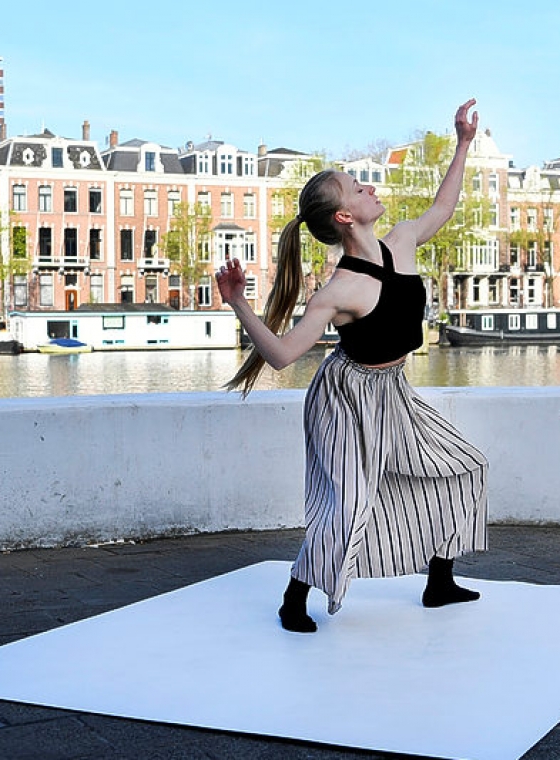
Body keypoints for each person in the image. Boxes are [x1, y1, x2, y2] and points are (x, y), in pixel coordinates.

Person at [216, 99, 489, 634]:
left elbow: (445, 207)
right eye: (357, 188)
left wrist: (462, 143)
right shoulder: (338, 290)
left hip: (394, 389)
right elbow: (281, 356)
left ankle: (439, 581)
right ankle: (295, 598)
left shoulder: (403, 241)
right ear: (344, 216)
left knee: (464, 466)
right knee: (348, 502)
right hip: (345, 397)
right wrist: (238, 303)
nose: (369, 188)